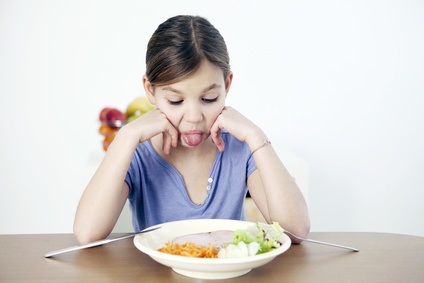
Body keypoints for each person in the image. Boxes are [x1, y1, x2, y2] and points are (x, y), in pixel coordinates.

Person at [74, 15, 310, 244]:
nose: (194, 118)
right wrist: (126, 135)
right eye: (176, 102)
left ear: (227, 85)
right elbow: (87, 233)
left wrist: (256, 136)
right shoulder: (138, 152)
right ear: (150, 90)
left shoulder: (239, 147)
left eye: (209, 98)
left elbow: (295, 231)